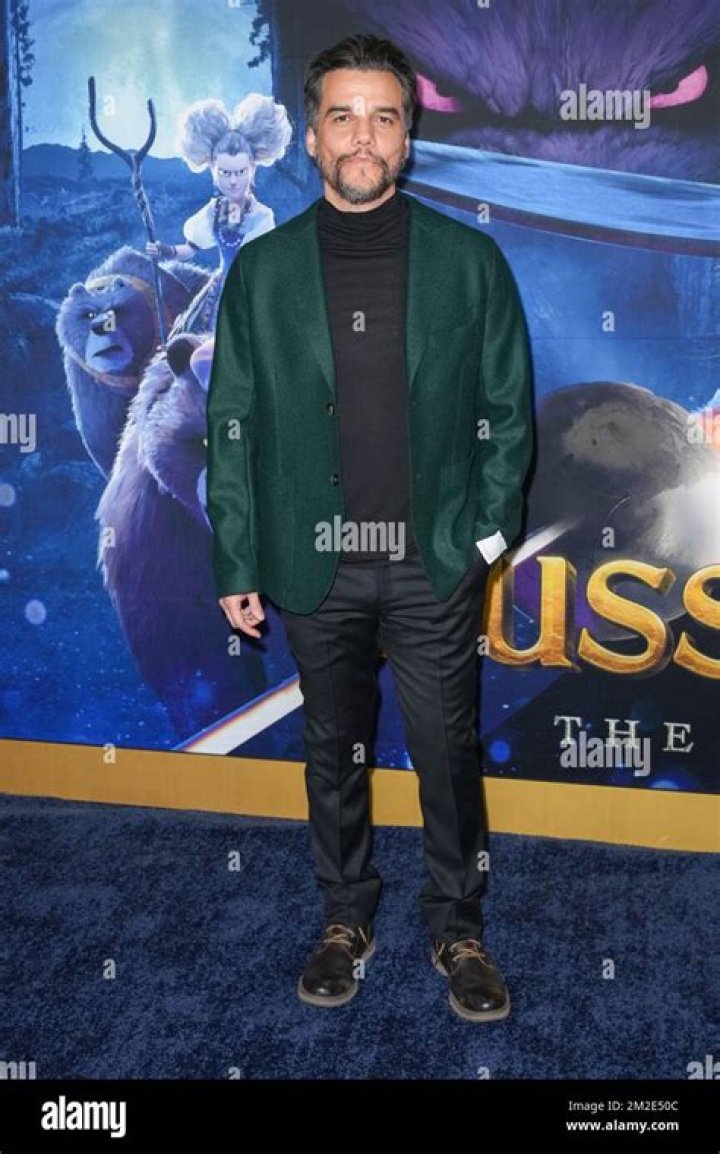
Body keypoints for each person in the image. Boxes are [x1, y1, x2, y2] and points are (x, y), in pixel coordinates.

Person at [205, 34, 534, 1023]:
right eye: (341, 116)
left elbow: (509, 413)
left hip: (434, 562)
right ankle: (346, 918)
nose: (362, 136)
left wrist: (483, 544)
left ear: (407, 136)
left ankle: (459, 926)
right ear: (311, 136)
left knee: (447, 753)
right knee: (333, 750)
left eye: (382, 117)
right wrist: (237, 556)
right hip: (316, 566)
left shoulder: (470, 262)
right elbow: (232, 418)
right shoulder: (261, 272)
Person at [146, 93, 291, 335]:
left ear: (252, 168)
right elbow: (191, 249)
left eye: (240, 172)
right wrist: (165, 251)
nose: (233, 181)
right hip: (219, 289)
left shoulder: (262, 216)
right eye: (225, 172)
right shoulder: (212, 213)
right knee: (188, 333)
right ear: (213, 169)